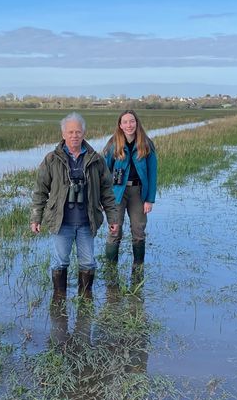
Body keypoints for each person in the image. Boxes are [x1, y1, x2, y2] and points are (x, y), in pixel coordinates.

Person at [30, 113, 120, 299]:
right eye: (70, 132)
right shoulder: (52, 159)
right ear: (63, 134)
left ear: (84, 133)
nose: (74, 136)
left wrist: (113, 218)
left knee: (88, 263)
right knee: (60, 262)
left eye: (78, 132)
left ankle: (85, 299)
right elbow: (40, 191)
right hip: (61, 222)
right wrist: (36, 218)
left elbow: (107, 193)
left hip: (87, 222)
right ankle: (59, 299)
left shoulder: (96, 159)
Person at [102, 109, 157, 268]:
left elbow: (152, 174)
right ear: (120, 125)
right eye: (125, 122)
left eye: (131, 121)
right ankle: (111, 270)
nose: (129, 125)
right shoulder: (113, 144)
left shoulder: (146, 144)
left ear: (137, 123)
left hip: (138, 193)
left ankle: (138, 267)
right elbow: (104, 173)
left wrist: (149, 199)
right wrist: (103, 198)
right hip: (117, 193)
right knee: (114, 230)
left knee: (139, 231)